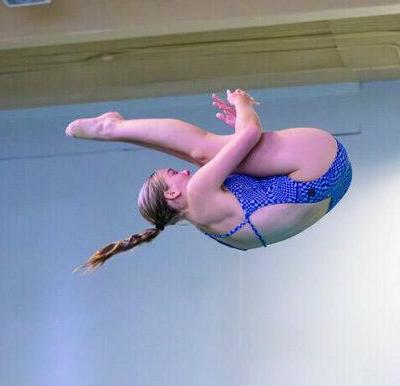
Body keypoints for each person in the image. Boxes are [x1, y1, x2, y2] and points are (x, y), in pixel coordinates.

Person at [66, 89, 352, 271]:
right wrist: (243, 105)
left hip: (330, 184)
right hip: (319, 166)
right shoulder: (200, 191)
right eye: (173, 174)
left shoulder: (207, 222)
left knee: (208, 155)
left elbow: (248, 161)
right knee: (204, 148)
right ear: (171, 195)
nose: (184, 173)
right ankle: (111, 128)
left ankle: (115, 128)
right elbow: (250, 134)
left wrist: (240, 136)